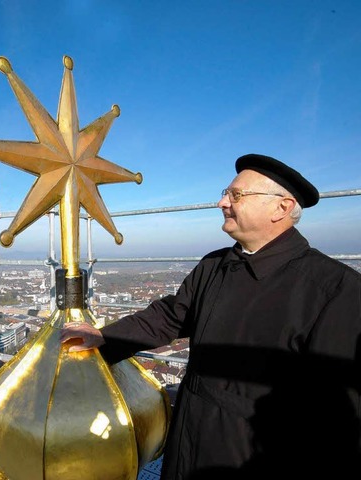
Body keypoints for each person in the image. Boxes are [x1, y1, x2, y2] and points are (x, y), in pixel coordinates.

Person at [61, 153, 361, 479]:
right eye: (225, 193)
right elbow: (171, 317)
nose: (221, 203)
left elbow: (340, 413)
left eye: (236, 195)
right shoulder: (214, 265)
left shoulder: (335, 289)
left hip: (257, 457)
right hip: (188, 439)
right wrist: (105, 338)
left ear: (282, 208)